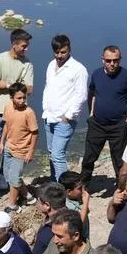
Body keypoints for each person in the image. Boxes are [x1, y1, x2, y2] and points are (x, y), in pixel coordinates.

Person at [83, 45, 127, 189]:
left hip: (118, 126)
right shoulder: (96, 74)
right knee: (89, 158)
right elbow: (91, 94)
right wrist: (91, 113)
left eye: (115, 60)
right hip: (97, 124)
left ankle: (121, 190)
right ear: (102, 59)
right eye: (108, 61)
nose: (112, 64)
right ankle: (83, 188)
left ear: (120, 59)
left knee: (120, 162)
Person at [0, 29, 34, 189]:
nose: (26, 49)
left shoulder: (27, 64)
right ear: (14, 44)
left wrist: (6, 84)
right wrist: (17, 85)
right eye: (24, 46)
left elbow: (29, 89)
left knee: (10, 147)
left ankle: (3, 176)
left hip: (17, 112)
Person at [41, 35, 89, 181]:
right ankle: (54, 182)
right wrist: (45, 107)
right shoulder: (51, 65)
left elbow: (82, 95)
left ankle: (64, 188)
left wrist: (68, 116)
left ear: (69, 50)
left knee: (58, 154)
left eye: (63, 52)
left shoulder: (78, 69)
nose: (60, 56)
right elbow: (47, 87)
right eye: (57, 52)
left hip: (65, 120)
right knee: (52, 152)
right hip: (49, 116)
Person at [0, 83, 39, 213]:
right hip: (9, 147)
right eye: (19, 98)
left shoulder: (29, 113)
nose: (22, 101)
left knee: (14, 177)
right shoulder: (8, 107)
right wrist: (2, 142)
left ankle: (13, 205)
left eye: (24, 97)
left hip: (21, 151)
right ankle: (28, 196)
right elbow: (6, 125)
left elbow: (35, 133)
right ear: (11, 98)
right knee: (9, 176)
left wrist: (30, 152)